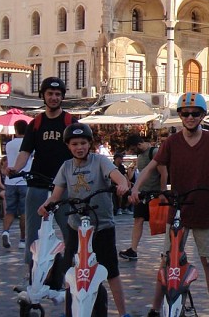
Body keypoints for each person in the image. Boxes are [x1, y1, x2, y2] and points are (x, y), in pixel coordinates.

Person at [129, 92, 209, 317]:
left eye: (195, 113)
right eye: (185, 113)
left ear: (202, 116)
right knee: (167, 260)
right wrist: (136, 187)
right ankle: (155, 308)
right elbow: (151, 167)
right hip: (176, 208)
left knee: (208, 260)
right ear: (179, 115)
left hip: (203, 207)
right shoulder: (172, 142)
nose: (190, 117)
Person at [37, 123, 131, 317]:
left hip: (102, 226)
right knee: (73, 271)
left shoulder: (100, 162)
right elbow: (56, 195)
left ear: (90, 144)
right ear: (68, 146)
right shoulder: (66, 166)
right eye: (74, 144)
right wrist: (46, 206)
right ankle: (72, 310)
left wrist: (122, 184)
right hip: (76, 227)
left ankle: (123, 313)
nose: (79, 147)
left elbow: (117, 176)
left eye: (83, 143)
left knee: (111, 270)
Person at [3, 77, 77, 284]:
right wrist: (15, 168)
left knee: (69, 229)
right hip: (37, 182)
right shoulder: (35, 123)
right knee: (32, 230)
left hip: (63, 186)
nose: (54, 98)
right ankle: (31, 270)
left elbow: (80, 152)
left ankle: (70, 271)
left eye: (57, 94)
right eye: (50, 94)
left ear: (62, 97)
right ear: (43, 95)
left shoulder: (70, 122)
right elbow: (26, 151)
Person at [119, 135, 166, 261]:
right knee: (138, 219)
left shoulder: (154, 152)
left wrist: (162, 192)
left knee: (164, 223)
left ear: (139, 144)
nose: (134, 152)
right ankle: (133, 250)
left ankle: (168, 250)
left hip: (155, 194)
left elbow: (164, 173)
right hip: (143, 194)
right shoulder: (140, 156)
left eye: (134, 149)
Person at [2, 119, 30, 249]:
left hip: (10, 181)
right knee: (24, 211)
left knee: (10, 210)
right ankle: (22, 239)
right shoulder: (29, 143)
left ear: (15, 129)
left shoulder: (9, 144)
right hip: (24, 180)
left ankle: (6, 231)